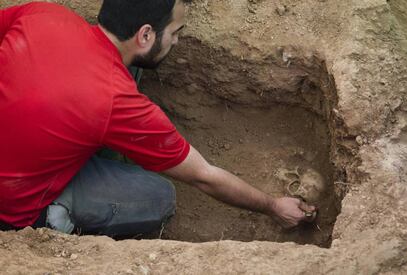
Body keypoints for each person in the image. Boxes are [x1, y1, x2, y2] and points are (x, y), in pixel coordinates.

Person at [0, 0, 316, 237]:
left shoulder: (42, 14)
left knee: (131, 67)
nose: (177, 41)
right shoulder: (117, 102)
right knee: (159, 197)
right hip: (12, 204)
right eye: (175, 32)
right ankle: (53, 220)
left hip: (28, 140)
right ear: (146, 34)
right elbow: (203, 175)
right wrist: (272, 206)